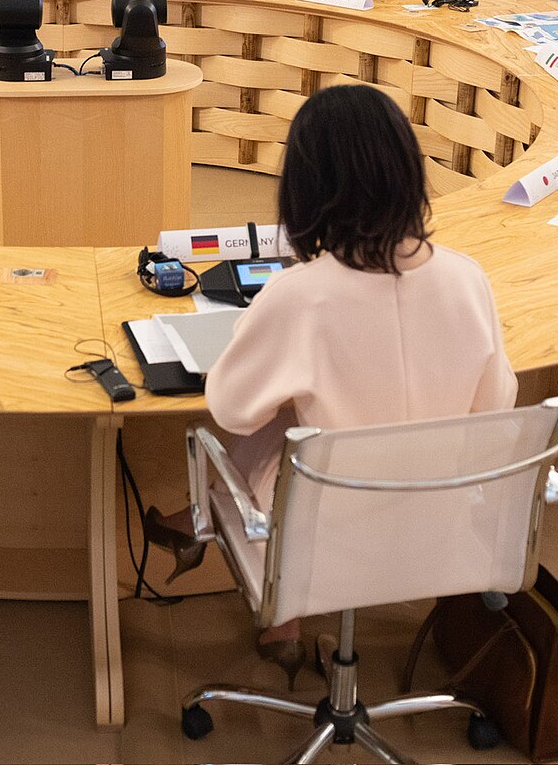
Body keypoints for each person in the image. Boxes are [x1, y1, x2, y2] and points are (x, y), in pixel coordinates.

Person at [145, 83, 517, 682]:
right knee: (312, 423)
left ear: (305, 187)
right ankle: (278, 618)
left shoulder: (299, 295)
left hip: (326, 544)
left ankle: (272, 610)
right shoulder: (467, 280)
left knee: (278, 432)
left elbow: (233, 408)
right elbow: (497, 402)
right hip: (442, 530)